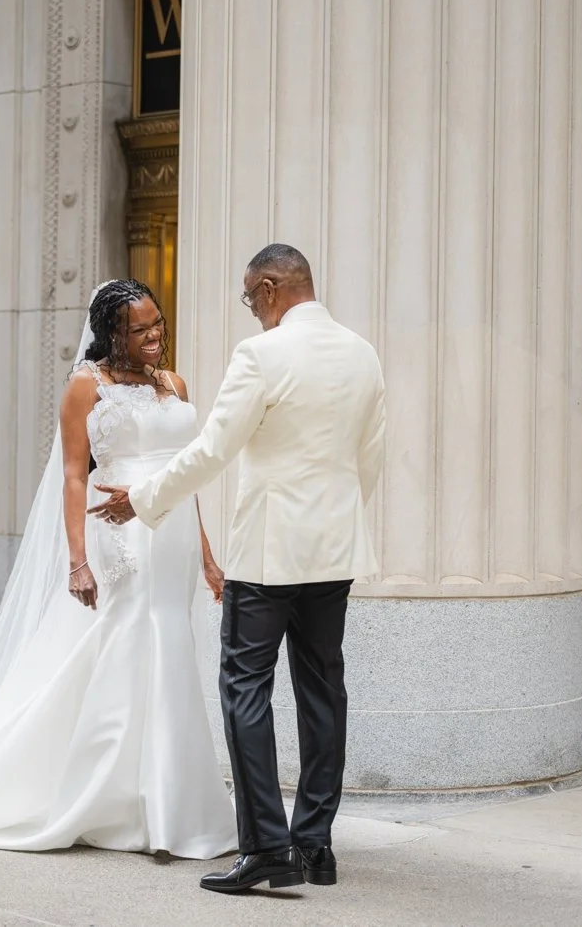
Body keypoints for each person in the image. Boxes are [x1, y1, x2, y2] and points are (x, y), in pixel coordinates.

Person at [90, 244, 387, 893]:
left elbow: (214, 450)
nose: (253, 311)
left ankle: (266, 850)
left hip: (269, 552)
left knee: (245, 689)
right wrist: (334, 522)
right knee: (323, 690)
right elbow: (370, 458)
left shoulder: (263, 355)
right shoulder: (363, 353)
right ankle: (316, 847)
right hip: (333, 552)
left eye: (253, 297)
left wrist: (142, 499)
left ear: (275, 286)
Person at [0, 280, 238, 859]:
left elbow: (183, 477)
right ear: (113, 332)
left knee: (170, 647)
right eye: (141, 329)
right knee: (129, 644)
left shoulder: (175, 384)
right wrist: (78, 559)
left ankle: (161, 797)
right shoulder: (87, 387)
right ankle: (108, 795)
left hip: (176, 537)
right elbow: (72, 475)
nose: (155, 335)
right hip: (120, 534)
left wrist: (209, 557)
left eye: (158, 323)